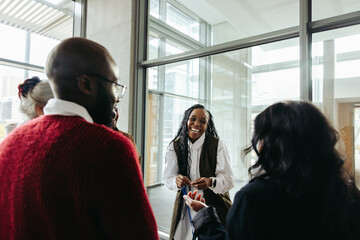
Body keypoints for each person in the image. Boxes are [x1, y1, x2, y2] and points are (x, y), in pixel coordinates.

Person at [0, 37, 158, 239]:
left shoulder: (9, 144)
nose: (117, 97)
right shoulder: (110, 148)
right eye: (114, 85)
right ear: (86, 84)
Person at [184, 101, 360, 240]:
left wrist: (205, 217)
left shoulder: (252, 198)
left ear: (274, 144)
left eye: (261, 137)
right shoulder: (347, 191)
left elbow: (228, 180)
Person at [163, 104, 234, 240]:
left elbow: (229, 180)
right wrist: (175, 181)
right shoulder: (175, 146)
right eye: (193, 119)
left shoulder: (218, 145)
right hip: (185, 207)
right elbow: (168, 178)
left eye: (203, 121)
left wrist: (210, 182)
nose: (197, 124)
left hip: (213, 207)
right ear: (186, 121)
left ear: (207, 125)